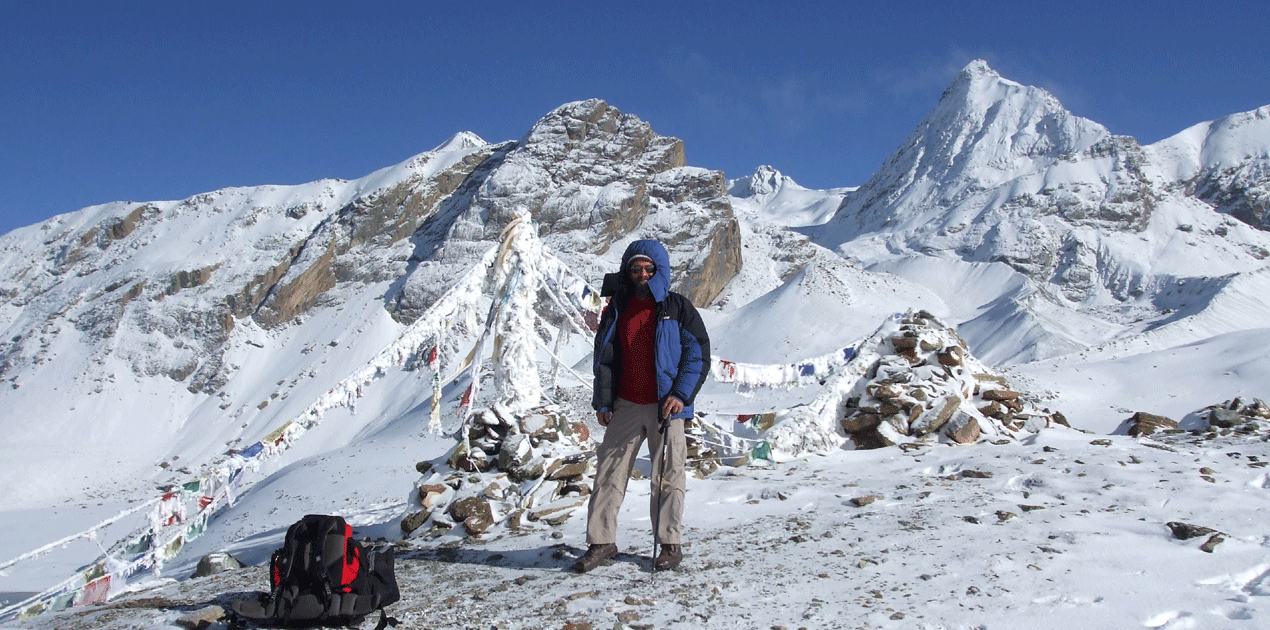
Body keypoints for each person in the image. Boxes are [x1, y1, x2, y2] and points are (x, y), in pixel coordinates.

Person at [574, 239, 710, 573]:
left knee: (668, 475)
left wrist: (680, 395)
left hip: (667, 406)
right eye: (636, 268)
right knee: (609, 472)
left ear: (659, 270)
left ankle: (669, 543)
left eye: (649, 268)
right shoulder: (617, 308)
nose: (642, 274)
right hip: (626, 403)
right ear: (627, 270)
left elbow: (697, 355)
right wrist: (604, 401)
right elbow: (605, 359)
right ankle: (602, 541)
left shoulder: (677, 307)